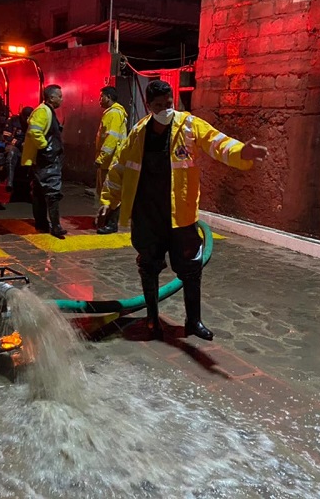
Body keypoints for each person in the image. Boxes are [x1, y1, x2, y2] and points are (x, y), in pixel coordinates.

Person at [98, 80, 268, 341]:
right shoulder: (138, 133)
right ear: (148, 105)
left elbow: (218, 143)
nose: (166, 109)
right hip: (148, 214)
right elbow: (120, 167)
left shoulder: (189, 125)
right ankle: (153, 319)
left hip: (180, 214)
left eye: (169, 103)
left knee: (190, 267)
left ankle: (193, 321)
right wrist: (109, 200)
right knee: (149, 266)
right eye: (159, 106)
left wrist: (241, 151)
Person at [22, 84, 67, 239]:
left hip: (44, 160)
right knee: (52, 193)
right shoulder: (43, 111)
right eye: (59, 96)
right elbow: (35, 131)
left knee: (39, 193)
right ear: (51, 97)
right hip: (46, 161)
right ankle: (56, 227)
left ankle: (41, 223)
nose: (61, 99)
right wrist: (45, 147)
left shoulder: (47, 111)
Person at [94, 86, 128, 234]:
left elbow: (111, 138)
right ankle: (105, 220)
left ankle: (111, 224)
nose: (99, 100)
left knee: (111, 192)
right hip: (111, 160)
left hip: (111, 161)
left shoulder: (113, 113)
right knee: (106, 192)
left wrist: (101, 158)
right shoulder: (114, 112)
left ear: (108, 97)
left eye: (101, 96)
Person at [2, 106, 33, 192]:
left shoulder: (34, 122)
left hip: (29, 146)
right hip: (15, 145)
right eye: (26, 117)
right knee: (11, 153)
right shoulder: (13, 120)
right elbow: (6, 136)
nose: (27, 119)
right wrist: (19, 144)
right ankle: (9, 181)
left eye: (29, 117)